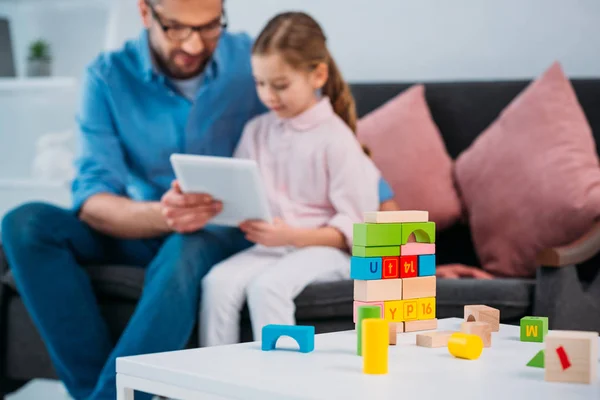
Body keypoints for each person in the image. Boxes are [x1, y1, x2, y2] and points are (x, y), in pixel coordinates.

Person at [0, 1, 396, 399]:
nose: (192, 43)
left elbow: (344, 161)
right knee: (23, 224)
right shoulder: (107, 78)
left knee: (188, 247)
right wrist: (162, 215)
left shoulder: (256, 59)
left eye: (208, 27)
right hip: (140, 223)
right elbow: (92, 196)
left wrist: (402, 252)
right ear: (145, 13)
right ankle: (99, 392)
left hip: (215, 234)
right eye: (175, 28)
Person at [199, 12, 382, 346]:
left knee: (268, 287)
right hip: (272, 246)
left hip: (326, 251)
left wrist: (293, 235)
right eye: (260, 83)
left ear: (318, 75)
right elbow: (241, 189)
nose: (269, 95)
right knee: (217, 282)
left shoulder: (336, 139)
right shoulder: (257, 131)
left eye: (280, 85)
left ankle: (279, 384)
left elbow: (356, 229)